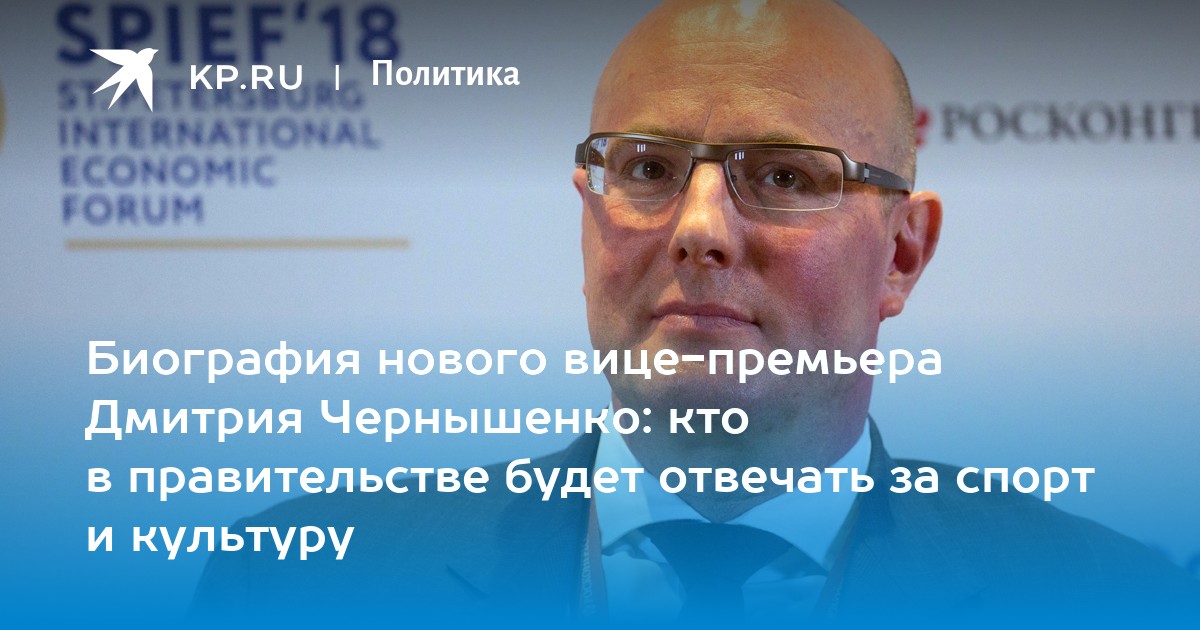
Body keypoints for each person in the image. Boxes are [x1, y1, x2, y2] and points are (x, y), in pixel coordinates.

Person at [192, 0, 1198, 623]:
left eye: (785, 176)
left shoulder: (1114, 598)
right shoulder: (294, 587)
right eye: (646, 168)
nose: (698, 228)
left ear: (902, 254)